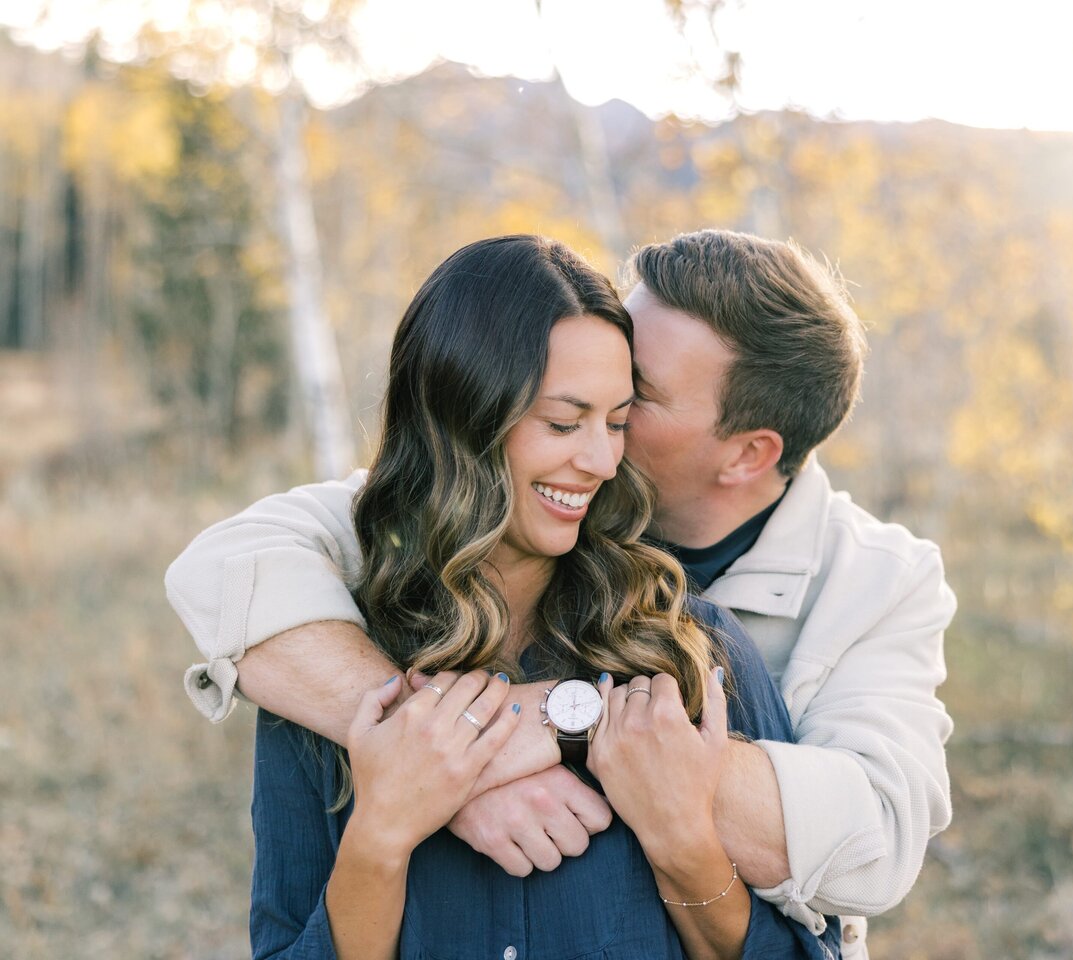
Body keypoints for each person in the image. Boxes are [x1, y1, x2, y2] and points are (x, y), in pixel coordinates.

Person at [167, 229, 955, 955]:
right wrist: (435, 760)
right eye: (566, 408)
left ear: (748, 454)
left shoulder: (797, 611)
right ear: (477, 416)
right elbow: (231, 561)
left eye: (627, 403)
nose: (603, 453)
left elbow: (875, 840)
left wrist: (634, 772)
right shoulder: (342, 620)